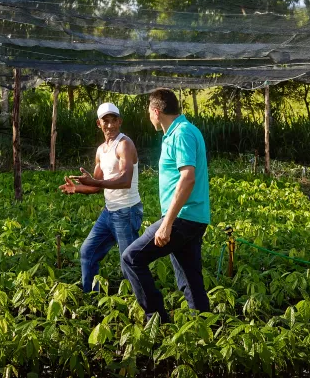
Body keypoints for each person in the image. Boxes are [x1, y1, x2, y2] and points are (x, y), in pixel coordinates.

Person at [120, 89, 210, 323]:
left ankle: (157, 319)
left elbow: (187, 177)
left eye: (149, 111)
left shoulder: (181, 133)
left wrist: (166, 224)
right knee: (190, 280)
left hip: (183, 218)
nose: (148, 116)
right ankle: (203, 329)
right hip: (191, 218)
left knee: (131, 258)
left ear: (156, 112)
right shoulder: (178, 132)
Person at [59, 102, 143, 293]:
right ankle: (92, 298)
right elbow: (95, 185)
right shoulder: (100, 151)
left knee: (128, 264)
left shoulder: (124, 144)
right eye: (106, 121)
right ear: (99, 124)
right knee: (88, 252)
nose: (110, 125)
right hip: (109, 212)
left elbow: (125, 180)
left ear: (120, 121)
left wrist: (95, 183)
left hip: (127, 211)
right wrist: (78, 188)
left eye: (114, 120)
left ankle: (139, 304)